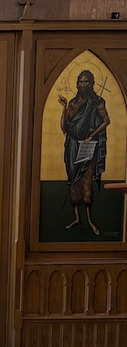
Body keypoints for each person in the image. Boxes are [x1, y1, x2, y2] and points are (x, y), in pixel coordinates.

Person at [59, 69, 110, 235]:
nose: (83, 84)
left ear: (91, 83)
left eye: (86, 81)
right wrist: (64, 107)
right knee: (73, 181)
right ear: (77, 84)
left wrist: (91, 136)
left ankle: (89, 220)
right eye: (81, 81)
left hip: (87, 146)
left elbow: (106, 121)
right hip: (72, 146)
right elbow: (64, 128)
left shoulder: (97, 102)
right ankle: (77, 218)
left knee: (86, 181)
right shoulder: (73, 103)